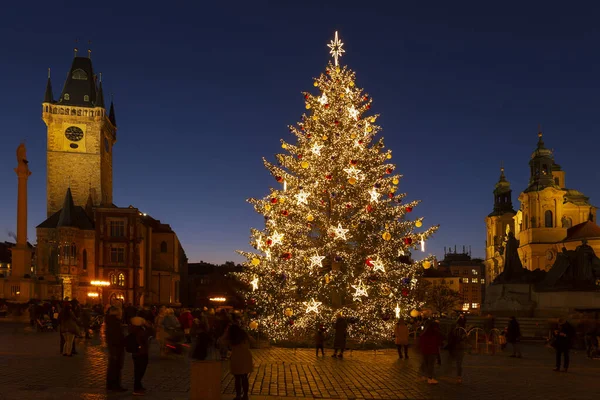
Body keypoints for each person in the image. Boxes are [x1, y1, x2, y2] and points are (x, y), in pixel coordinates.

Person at [129, 316, 155, 396]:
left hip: (137, 352)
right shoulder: (139, 330)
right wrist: (149, 327)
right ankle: (136, 388)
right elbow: (150, 334)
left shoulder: (134, 328)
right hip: (141, 352)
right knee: (140, 370)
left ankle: (139, 386)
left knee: (138, 370)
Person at [227, 324, 253, 400]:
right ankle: (245, 395)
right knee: (244, 377)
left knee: (237, 378)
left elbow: (220, 342)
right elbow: (253, 341)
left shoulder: (232, 337)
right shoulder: (243, 335)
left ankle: (238, 395)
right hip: (246, 356)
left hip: (236, 357)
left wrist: (225, 333)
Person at [105, 306, 127, 392]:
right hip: (116, 348)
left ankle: (111, 384)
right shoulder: (115, 323)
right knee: (116, 367)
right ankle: (115, 385)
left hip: (115, 347)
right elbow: (115, 337)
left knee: (113, 367)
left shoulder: (111, 322)